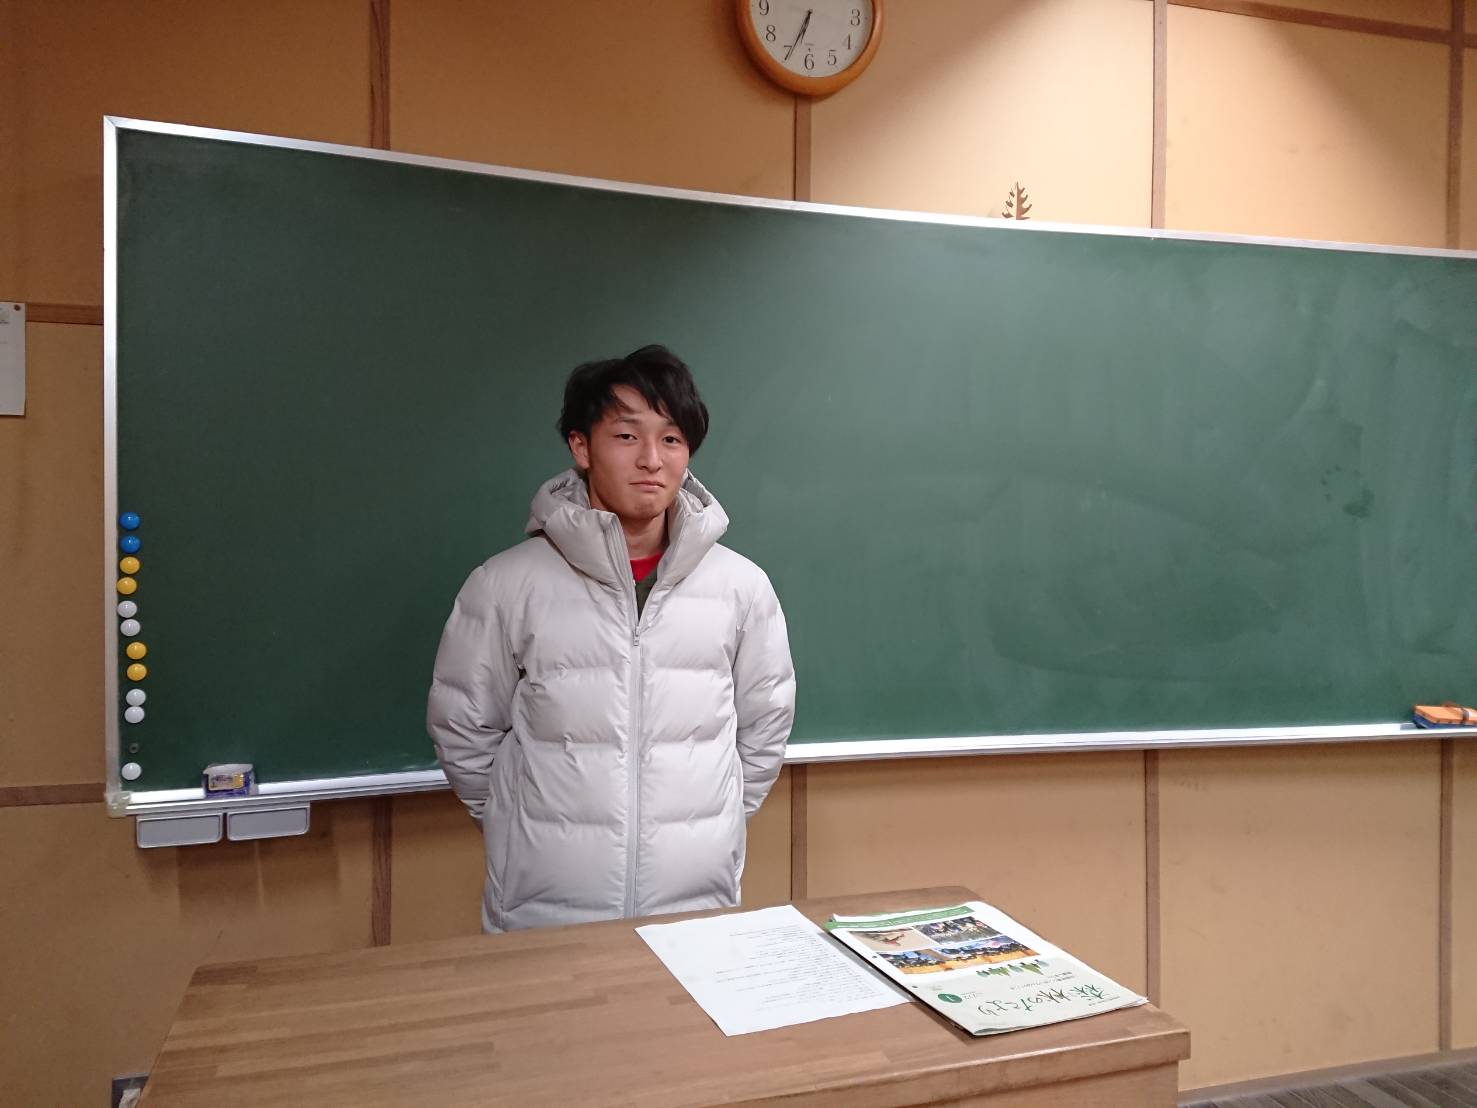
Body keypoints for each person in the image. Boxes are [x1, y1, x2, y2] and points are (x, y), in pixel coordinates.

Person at [427, 344, 796, 933]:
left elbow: (764, 729)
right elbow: (463, 729)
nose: (652, 459)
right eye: (627, 436)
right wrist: (514, 822)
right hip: (544, 913)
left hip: (695, 911)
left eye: (671, 439)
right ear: (581, 448)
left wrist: (715, 825)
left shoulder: (741, 587)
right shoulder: (505, 585)